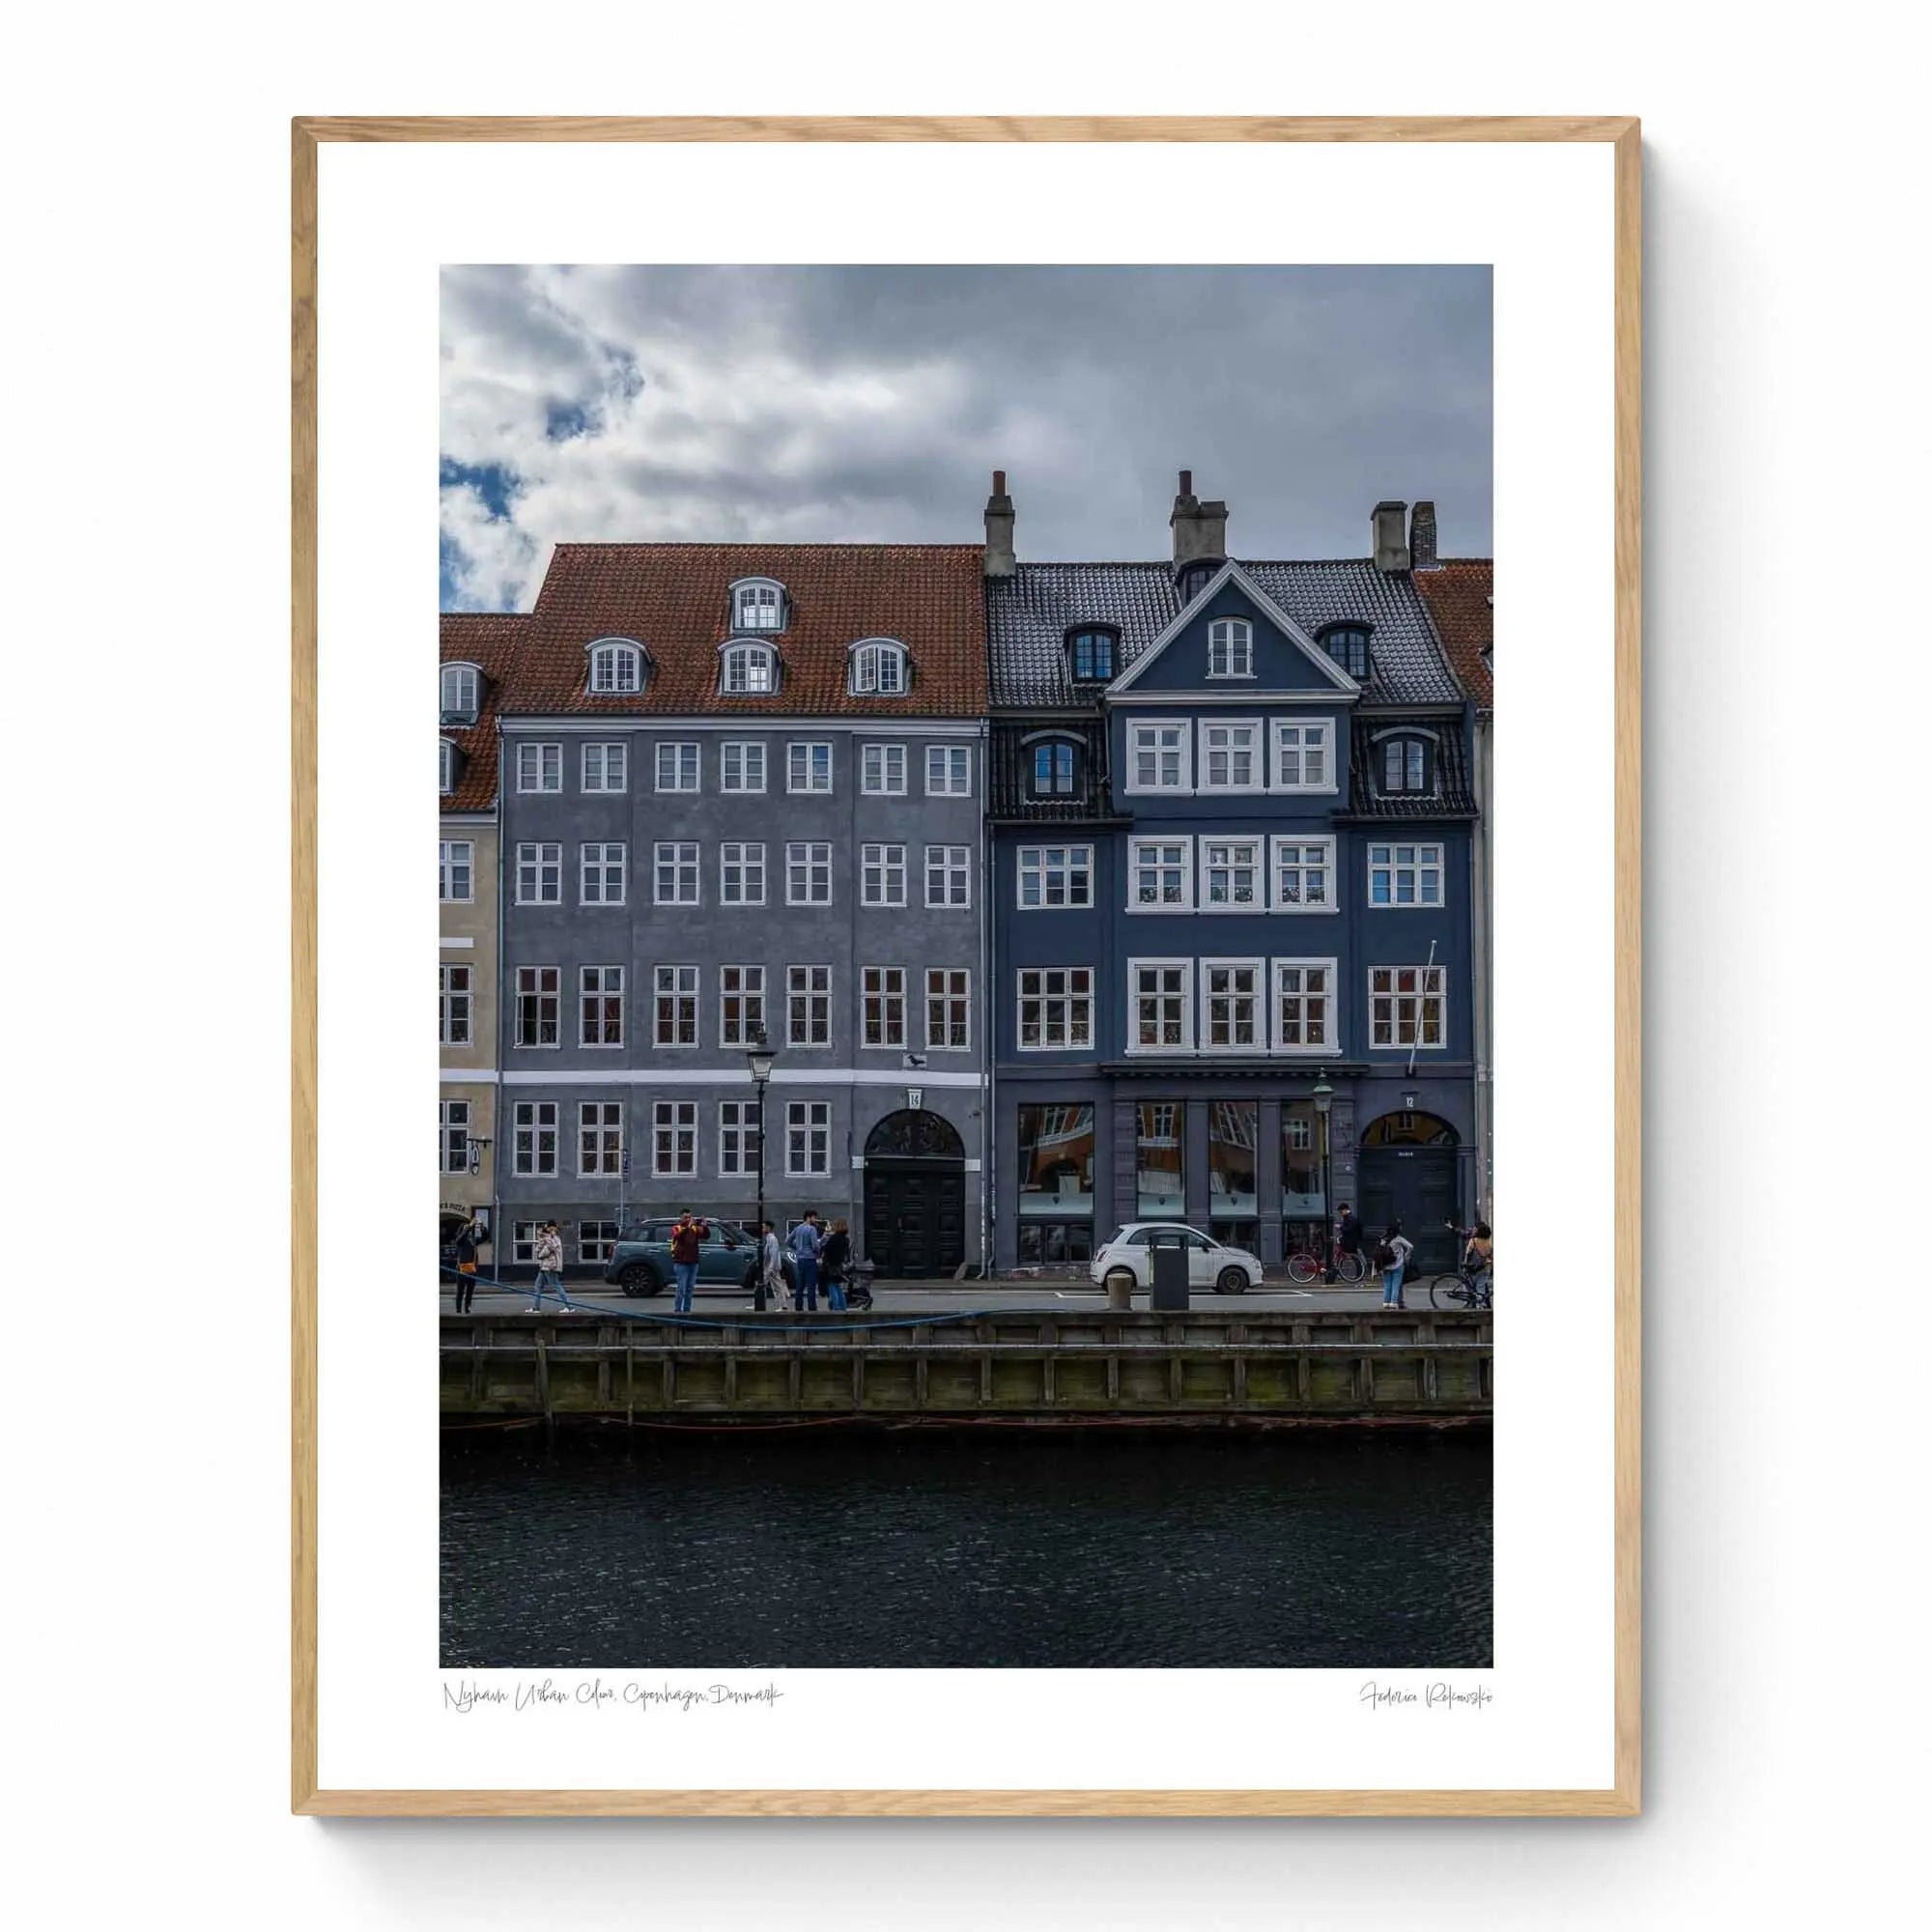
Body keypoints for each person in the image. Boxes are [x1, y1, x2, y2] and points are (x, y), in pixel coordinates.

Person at [668, 1208, 708, 1316]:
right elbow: (678, 1237)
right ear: (680, 1218)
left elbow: (705, 1236)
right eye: (685, 1217)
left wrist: (704, 1226)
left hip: (693, 1262)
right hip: (681, 1262)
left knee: (690, 1288)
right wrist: (688, 1227)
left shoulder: (694, 1229)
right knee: (681, 1288)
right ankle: (677, 1310)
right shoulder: (677, 1228)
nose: (687, 1219)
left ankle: (687, 1311)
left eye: (689, 1217)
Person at [788, 1210, 823, 1313]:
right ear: (809, 1217)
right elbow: (815, 1246)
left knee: (800, 1284)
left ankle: (798, 1307)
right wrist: (818, 1252)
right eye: (814, 1217)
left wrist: (798, 1248)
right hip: (810, 1259)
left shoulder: (797, 1228)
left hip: (800, 1259)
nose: (815, 1220)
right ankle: (812, 1308)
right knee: (811, 1285)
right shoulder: (812, 1229)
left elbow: (788, 1241)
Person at [1377, 1220, 1414, 1309]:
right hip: (1397, 1265)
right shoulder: (1398, 1239)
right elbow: (1410, 1246)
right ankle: (1394, 1303)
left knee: (1387, 1285)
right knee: (1396, 1285)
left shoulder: (1383, 1239)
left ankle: (1386, 1303)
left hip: (1385, 1266)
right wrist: (1406, 1256)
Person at [530, 1221, 566, 1312]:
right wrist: (542, 1238)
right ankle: (536, 1307)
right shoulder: (549, 1237)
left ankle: (569, 1307)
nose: (548, 1229)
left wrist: (540, 1255)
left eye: (549, 1227)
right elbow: (538, 1248)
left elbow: (549, 1248)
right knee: (538, 1286)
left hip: (550, 1266)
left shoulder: (554, 1238)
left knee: (556, 1285)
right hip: (544, 1266)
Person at [819, 1216, 852, 1313]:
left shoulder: (834, 1238)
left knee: (832, 1286)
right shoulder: (846, 1239)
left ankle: (836, 1306)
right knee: (838, 1286)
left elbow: (826, 1249)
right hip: (839, 1265)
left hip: (831, 1265)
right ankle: (843, 1306)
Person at [452, 1216, 481, 1315]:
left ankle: (467, 1309)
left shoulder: (472, 1240)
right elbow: (461, 1237)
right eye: (465, 1228)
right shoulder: (460, 1240)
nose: (468, 1229)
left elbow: (485, 1237)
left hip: (472, 1269)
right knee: (460, 1291)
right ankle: (458, 1310)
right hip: (462, 1269)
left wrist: (482, 1227)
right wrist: (469, 1226)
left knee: (470, 1292)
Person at [758, 1220, 789, 1312]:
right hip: (771, 1267)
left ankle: (782, 1305)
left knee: (766, 1285)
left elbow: (774, 1254)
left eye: (764, 1227)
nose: (762, 1229)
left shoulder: (772, 1239)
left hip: (771, 1268)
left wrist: (771, 1268)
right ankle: (783, 1305)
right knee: (775, 1286)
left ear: (768, 1228)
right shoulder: (769, 1238)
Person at [1463, 1220, 1494, 1307]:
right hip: (1484, 1268)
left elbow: (1468, 1253)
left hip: (1473, 1267)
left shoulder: (1473, 1241)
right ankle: (1480, 1306)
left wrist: (1465, 1264)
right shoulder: (1488, 1243)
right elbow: (1491, 1256)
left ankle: (1472, 1304)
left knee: (1469, 1285)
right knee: (1480, 1288)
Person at [1333, 1203, 1363, 1283]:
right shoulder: (1348, 1217)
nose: (1341, 1214)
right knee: (1342, 1256)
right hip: (1350, 1241)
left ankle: (1358, 1274)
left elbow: (1349, 1229)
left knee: (1353, 1257)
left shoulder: (1351, 1218)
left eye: (1341, 1212)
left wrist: (1340, 1227)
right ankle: (1339, 1272)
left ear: (1346, 1210)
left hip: (1350, 1242)